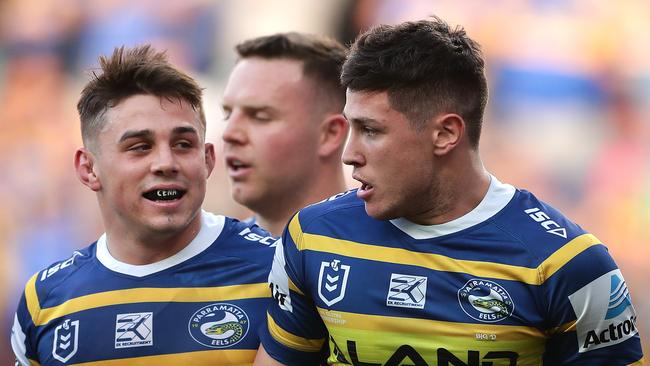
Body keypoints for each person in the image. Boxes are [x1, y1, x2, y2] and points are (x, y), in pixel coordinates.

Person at [255, 17, 644, 365]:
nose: (349, 154)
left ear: (446, 133)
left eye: (370, 130)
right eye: (351, 128)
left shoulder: (569, 263)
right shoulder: (312, 237)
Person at [11, 45, 276, 365]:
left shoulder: (276, 269)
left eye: (183, 144)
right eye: (140, 147)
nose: (166, 163)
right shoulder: (45, 301)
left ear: (207, 159)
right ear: (88, 168)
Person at [221, 32, 349, 237]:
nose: (229, 134)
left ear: (330, 133)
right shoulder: (212, 261)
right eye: (227, 114)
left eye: (260, 116)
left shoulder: (391, 257)